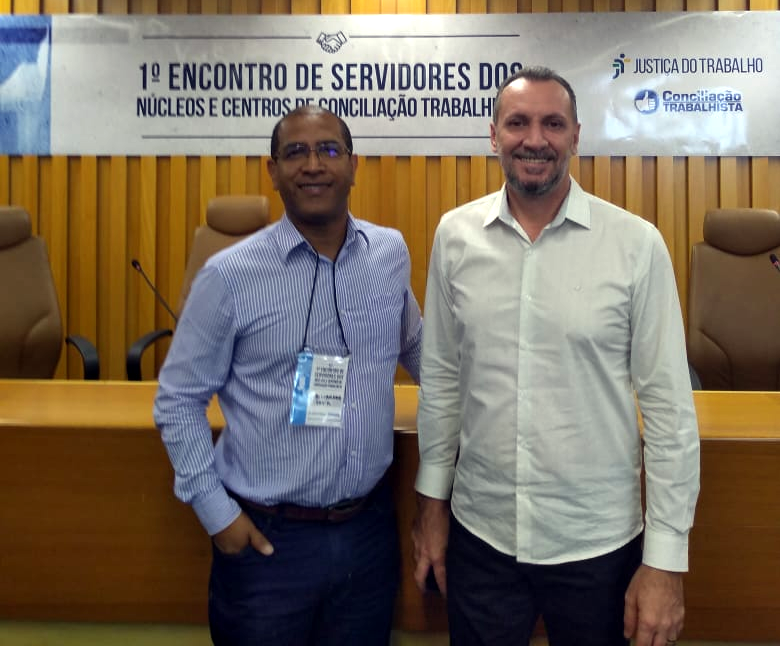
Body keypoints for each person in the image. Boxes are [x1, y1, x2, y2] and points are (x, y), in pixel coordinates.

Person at [411, 66, 700, 646]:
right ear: (494, 135)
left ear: (576, 136)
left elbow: (669, 411)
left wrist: (666, 561)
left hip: (597, 546)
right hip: (481, 536)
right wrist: (432, 507)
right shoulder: (454, 236)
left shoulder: (635, 245)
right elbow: (442, 379)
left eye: (553, 124)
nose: (535, 139)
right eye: (518, 123)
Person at [154, 105, 423, 646]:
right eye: (295, 152)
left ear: (354, 166)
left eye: (329, 150)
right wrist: (217, 515)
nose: (313, 165)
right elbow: (177, 401)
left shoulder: (388, 254)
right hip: (268, 545)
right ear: (272, 171)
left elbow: (418, 347)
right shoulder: (229, 276)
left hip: (368, 534)